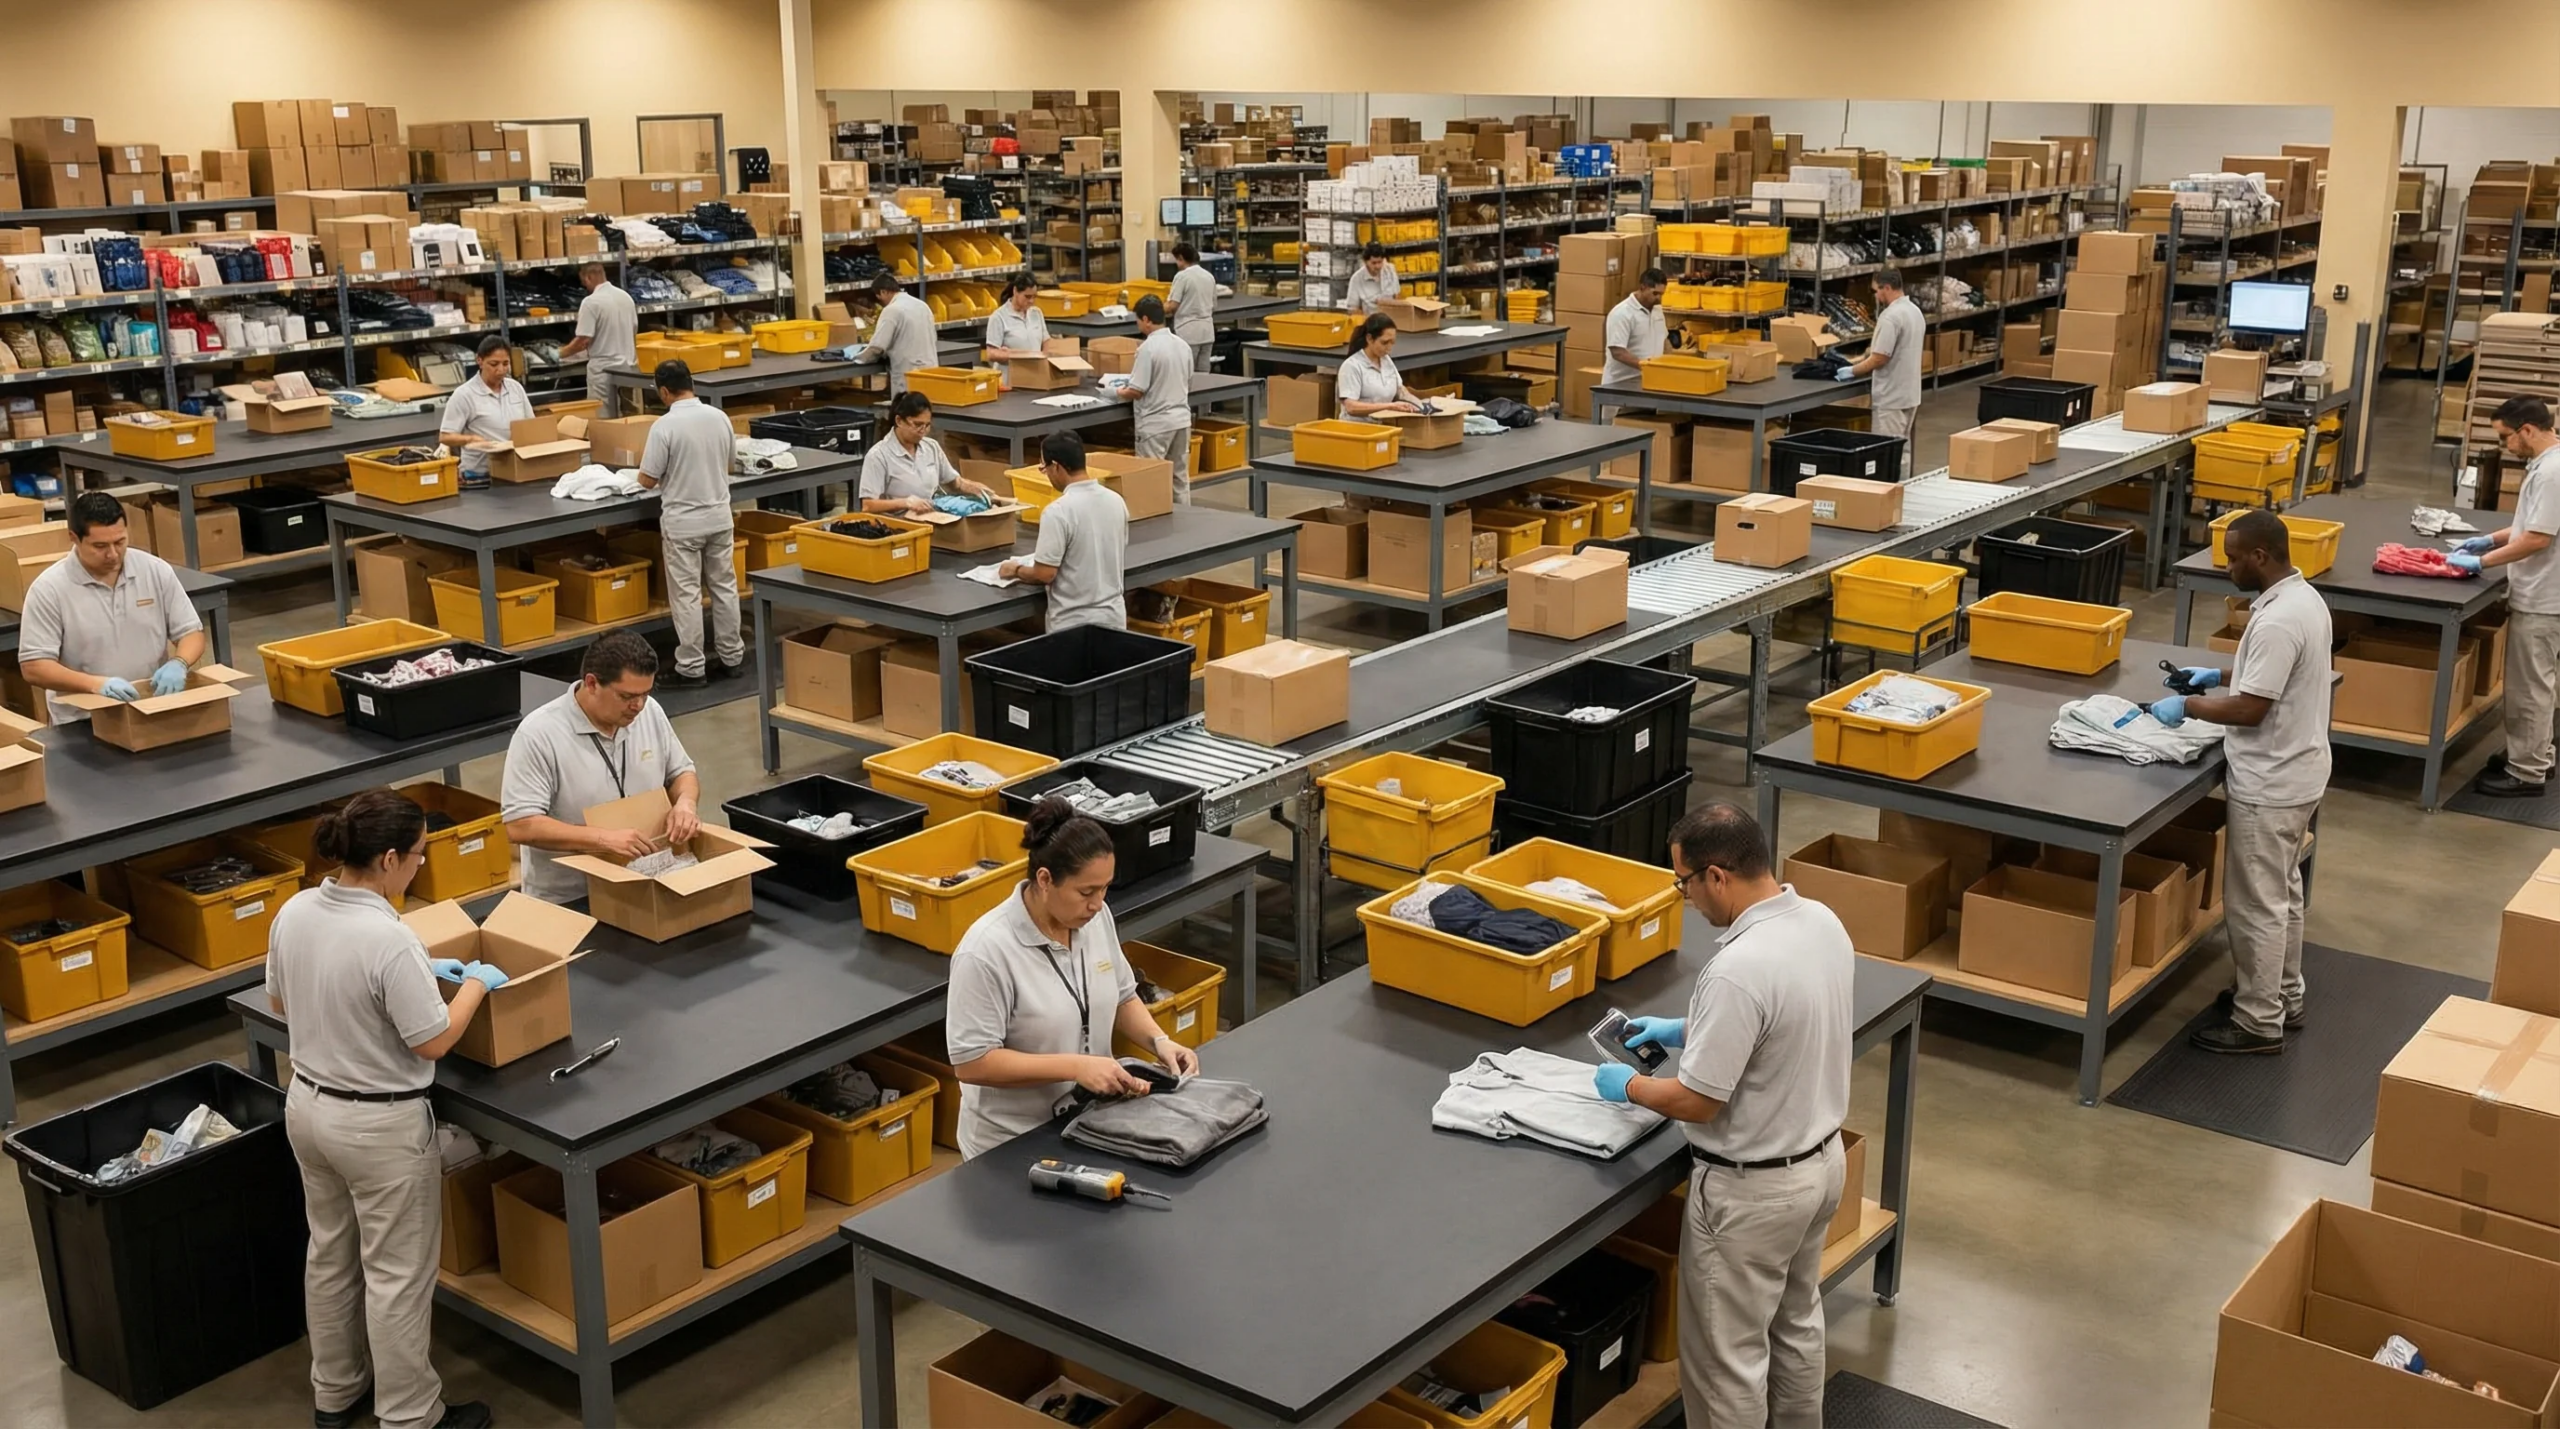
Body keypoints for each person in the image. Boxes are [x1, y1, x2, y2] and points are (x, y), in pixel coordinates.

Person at [1595, 803, 1851, 1429]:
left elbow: (1697, 1102)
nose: (1684, 897)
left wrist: (1627, 1084)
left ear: (1716, 875)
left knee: (1724, 1363)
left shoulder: (1737, 968)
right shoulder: (1820, 921)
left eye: (1682, 882)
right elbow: (1785, 1021)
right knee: (1795, 1326)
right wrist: (1686, 1030)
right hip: (1820, 1168)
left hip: (1751, 1196)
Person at [267, 790, 501, 1429]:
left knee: (331, 1255)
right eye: (419, 856)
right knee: (397, 1276)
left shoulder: (296, 909)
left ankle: (336, 1394)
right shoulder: (388, 936)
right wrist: (474, 984)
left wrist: (412, 972)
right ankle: (411, 1416)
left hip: (309, 1107)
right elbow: (434, 1039)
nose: (421, 867)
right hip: (379, 1127)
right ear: (390, 857)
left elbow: (285, 1002)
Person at [2152, 509, 2333, 1052]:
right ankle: (2284, 995)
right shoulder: (2304, 600)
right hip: (2300, 768)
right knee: (2282, 892)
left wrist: (2189, 704)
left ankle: (2258, 1021)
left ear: (2260, 555)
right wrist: (2219, 673)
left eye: (2233, 557)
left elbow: (2252, 709)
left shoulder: (2278, 619)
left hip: (2271, 780)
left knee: (2255, 903)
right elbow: (2272, 673)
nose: (2226, 566)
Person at [945, 795, 1200, 1159]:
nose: (1098, 903)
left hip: (1090, 1124)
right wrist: (1076, 1066)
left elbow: (1123, 995)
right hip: (1012, 1145)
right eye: (1086, 892)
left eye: (1105, 888)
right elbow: (972, 1062)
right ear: (1045, 880)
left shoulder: (1095, 918)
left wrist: (1160, 1042)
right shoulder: (986, 951)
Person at [500, 632, 701, 905]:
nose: (638, 706)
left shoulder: (650, 712)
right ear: (592, 683)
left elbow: (681, 772)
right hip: (573, 899)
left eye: (645, 694)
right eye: (627, 696)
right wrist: (602, 840)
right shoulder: (539, 734)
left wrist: (686, 804)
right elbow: (521, 825)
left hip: (648, 883)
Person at [19, 491, 206, 724]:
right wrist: (96, 685)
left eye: (120, 542)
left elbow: (191, 633)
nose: (113, 554)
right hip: (83, 722)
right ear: (74, 538)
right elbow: (34, 666)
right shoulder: (49, 590)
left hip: (150, 707)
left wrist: (179, 663)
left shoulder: (155, 571)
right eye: (100, 546)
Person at [2456, 396, 2560, 797]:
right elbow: (2525, 526)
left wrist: (2484, 563)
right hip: (2542, 591)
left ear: (2527, 430)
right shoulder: (2546, 465)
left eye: (2505, 437)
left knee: (2529, 688)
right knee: (2540, 684)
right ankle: (2536, 754)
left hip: (2543, 599)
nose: (2505, 446)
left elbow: (2538, 538)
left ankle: (2527, 772)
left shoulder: (2551, 474)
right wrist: (2486, 541)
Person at [635, 360, 744, 689]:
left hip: (684, 524)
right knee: (725, 589)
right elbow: (730, 463)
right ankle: (732, 657)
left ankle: (692, 667)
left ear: (664, 391)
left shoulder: (665, 427)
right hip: (719, 517)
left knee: (687, 596)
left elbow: (647, 479)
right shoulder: (719, 417)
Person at [998, 432, 1127, 632]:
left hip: (1073, 624)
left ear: (1056, 466)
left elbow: (1044, 573)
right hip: (1114, 617)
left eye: (1044, 468)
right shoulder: (1116, 500)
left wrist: (1015, 570)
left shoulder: (1058, 511)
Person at [1836, 269, 1922, 475]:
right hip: (1910, 394)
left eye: (1876, 291)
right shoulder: (1914, 311)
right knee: (1902, 451)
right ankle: (1902, 492)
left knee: (1885, 453)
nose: (1875, 295)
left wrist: (1852, 371)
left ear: (1887, 288)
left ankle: (1886, 496)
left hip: (1891, 397)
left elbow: (1880, 357)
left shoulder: (1890, 316)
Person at [857, 390, 997, 516]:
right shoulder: (878, 455)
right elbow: (868, 505)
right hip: (899, 523)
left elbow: (955, 482)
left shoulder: (931, 447)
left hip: (931, 515)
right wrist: (906, 502)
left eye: (927, 425)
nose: (923, 430)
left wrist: (977, 489)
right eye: (917, 425)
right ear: (899, 421)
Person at [1117, 295, 1194, 504]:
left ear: (1146, 319)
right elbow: (1188, 381)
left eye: (1138, 320)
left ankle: (1154, 523)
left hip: (1155, 424)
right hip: (1181, 421)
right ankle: (1185, 522)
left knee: (1150, 479)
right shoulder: (1182, 345)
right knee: (1179, 477)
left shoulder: (1147, 349)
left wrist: (1117, 392)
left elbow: (1137, 390)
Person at [438, 334, 536, 490]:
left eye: (505, 364)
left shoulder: (516, 388)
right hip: (479, 476)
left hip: (515, 470)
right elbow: (445, 437)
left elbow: (531, 426)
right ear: (480, 361)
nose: (501, 370)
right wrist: (469, 439)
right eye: (494, 364)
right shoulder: (464, 395)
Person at [557, 261, 637, 417]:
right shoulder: (626, 297)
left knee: (604, 420)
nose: (584, 286)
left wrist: (558, 354)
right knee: (628, 418)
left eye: (583, 282)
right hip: (628, 369)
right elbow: (633, 330)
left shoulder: (590, 302)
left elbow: (583, 341)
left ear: (588, 277)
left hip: (603, 371)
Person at [852, 271, 937, 395]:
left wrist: (859, 358)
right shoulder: (922, 305)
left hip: (908, 372)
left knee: (907, 409)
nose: (880, 301)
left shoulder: (892, 310)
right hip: (931, 368)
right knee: (927, 406)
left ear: (883, 292)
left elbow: (878, 346)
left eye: (878, 297)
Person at [1337, 313, 1428, 417]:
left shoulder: (1386, 360)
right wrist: (1390, 406)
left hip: (1384, 425)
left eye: (1392, 343)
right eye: (1384, 343)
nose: (1389, 349)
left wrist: (1421, 406)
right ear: (1369, 339)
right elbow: (1351, 407)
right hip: (1358, 428)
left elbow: (1400, 390)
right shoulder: (1352, 366)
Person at [1601, 267, 1669, 389]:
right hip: (1620, 384)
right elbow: (1617, 352)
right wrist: (1646, 367)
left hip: (1649, 381)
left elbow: (1664, 340)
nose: (1659, 298)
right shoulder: (1622, 313)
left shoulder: (1657, 310)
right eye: (1655, 293)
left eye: (1661, 294)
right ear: (1643, 287)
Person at [1166, 242, 1218, 372]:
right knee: (1204, 373)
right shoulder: (1209, 276)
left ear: (1181, 258)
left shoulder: (1182, 276)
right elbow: (1214, 306)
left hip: (1188, 333)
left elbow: (1172, 306)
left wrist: (1155, 308)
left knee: (1187, 373)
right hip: (1207, 333)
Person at [983, 273, 1053, 361]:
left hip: (1034, 372)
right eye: (1027, 297)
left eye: (1034, 297)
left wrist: (1044, 356)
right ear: (1015, 291)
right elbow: (991, 353)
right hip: (1011, 372)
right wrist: (1011, 354)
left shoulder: (1037, 313)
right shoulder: (998, 317)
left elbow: (1046, 340)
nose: (1031, 301)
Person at [1344, 241, 1401, 315]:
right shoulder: (1356, 279)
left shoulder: (1390, 270)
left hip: (1391, 320)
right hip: (1370, 322)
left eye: (1380, 262)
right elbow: (1352, 309)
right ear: (1365, 261)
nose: (1377, 266)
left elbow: (1397, 297)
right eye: (1374, 263)